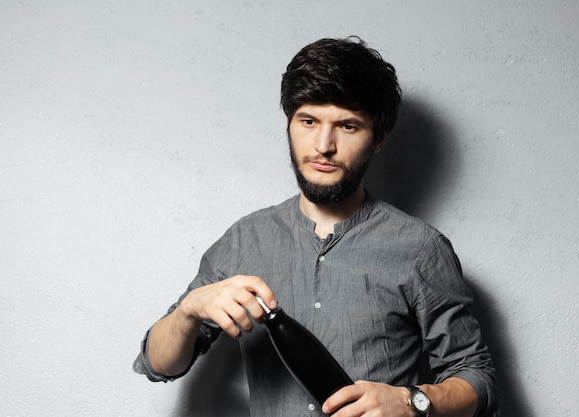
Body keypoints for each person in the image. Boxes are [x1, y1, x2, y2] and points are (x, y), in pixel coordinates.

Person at [134, 37, 498, 417]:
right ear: (290, 124)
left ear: (379, 137)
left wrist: (411, 401)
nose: (324, 145)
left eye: (347, 126)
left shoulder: (421, 249)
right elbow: (158, 364)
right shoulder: (244, 240)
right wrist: (190, 310)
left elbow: (478, 381)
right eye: (308, 121)